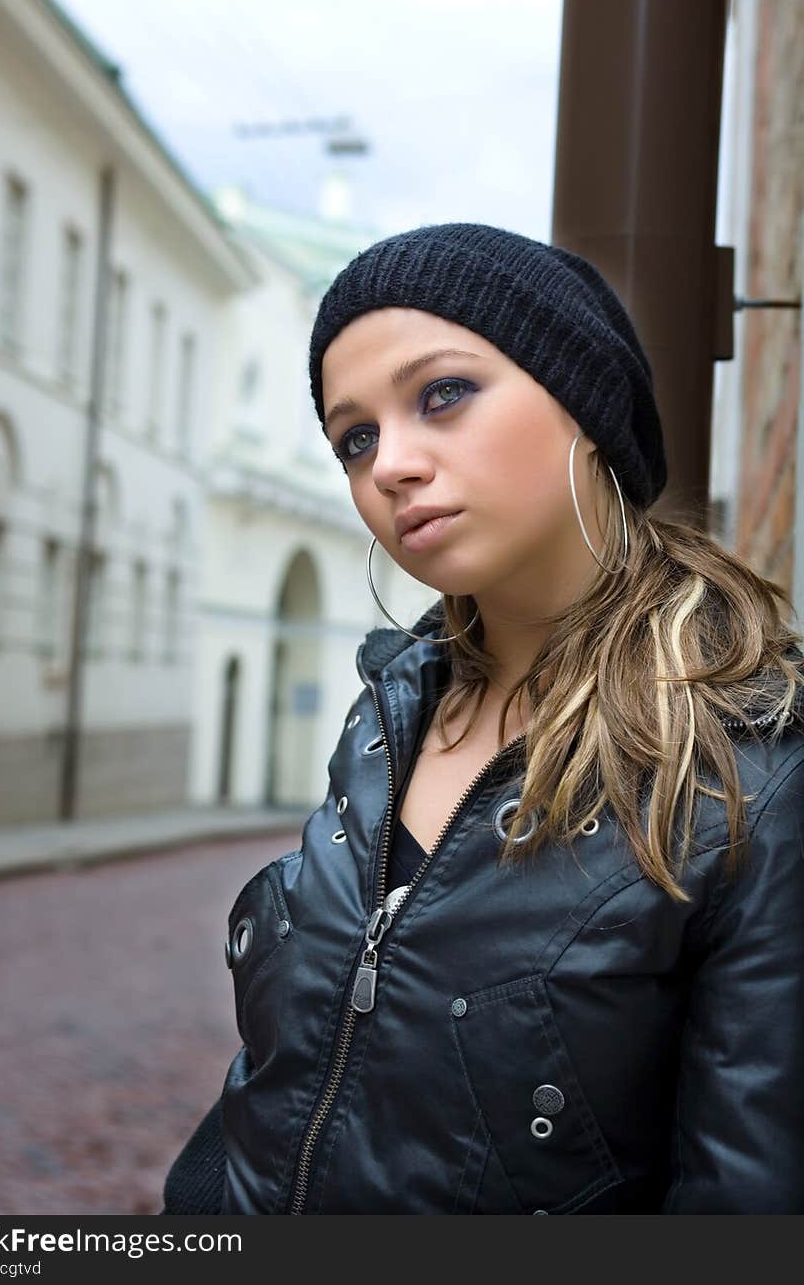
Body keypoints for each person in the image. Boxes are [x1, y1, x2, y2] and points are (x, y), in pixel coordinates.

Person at [162, 223, 804, 1215]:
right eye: (354, 437)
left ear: (581, 399)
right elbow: (289, 1090)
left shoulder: (751, 764)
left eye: (442, 394)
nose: (390, 466)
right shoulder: (388, 714)